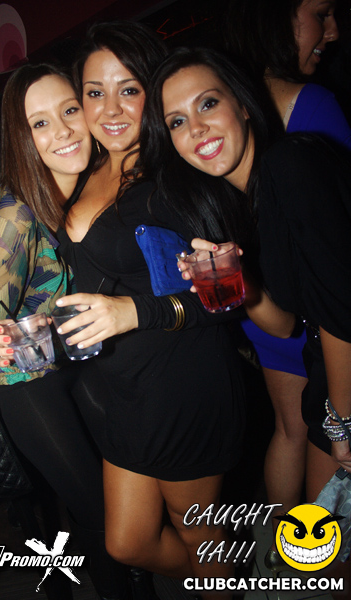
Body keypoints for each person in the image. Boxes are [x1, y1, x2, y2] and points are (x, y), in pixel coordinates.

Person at [55, 22, 294, 600]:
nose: (111, 109)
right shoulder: (89, 171)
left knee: (201, 543)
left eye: (129, 89)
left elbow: (228, 302)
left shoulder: (176, 182)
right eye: (94, 92)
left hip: (185, 389)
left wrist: (132, 313)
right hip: (126, 395)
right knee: (127, 543)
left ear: (153, 92)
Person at [142, 45, 351, 582]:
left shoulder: (292, 164)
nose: (196, 129)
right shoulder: (241, 203)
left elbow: (342, 313)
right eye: (177, 121)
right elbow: (288, 324)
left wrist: (344, 424)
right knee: (327, 562)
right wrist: (238, 284)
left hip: (342, 389)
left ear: (242, 103)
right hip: (327, 383)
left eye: (208, 103)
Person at [0, 63, 132, 600]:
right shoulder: (11, 216)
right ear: (21, 138)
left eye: (70, 110)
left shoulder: (73, 195)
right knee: (98, 512)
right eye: (40, 123)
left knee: (111, 501)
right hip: (23, 384)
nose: (64, 131)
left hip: (71, 362)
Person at [219, 0, 351, 538]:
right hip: (321, 316)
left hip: (266, 298)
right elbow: (338, 260)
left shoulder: (227, 107)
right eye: (322, 11)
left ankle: (285, 554)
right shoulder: (311, 103)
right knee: (326, 432)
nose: (332, 30)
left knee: (290, 429)